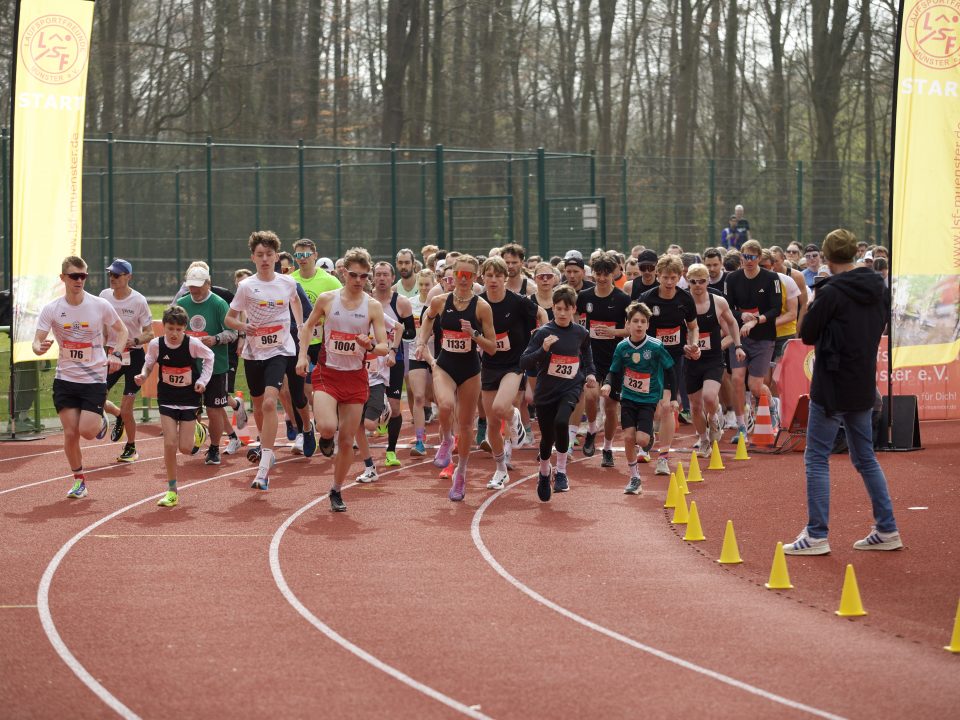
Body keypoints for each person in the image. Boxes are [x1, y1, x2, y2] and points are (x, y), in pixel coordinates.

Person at [783, 229, 902, 555]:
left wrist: (814, 301)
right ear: (854, 253)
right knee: (865, 458)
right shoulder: (878, 288)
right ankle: (887, 528)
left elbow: (807, 333)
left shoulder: (831, 292)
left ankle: (817, 535)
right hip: (862, 380)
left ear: (827, 256)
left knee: (816, 457)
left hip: (832, 384)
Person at [299, 247, 390, 511]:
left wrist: (369, 345)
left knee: (348, 440)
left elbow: (384, 346)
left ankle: (336, 490)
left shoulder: (372, 306)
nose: (358, 280)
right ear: (344, 274)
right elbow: (308, 326)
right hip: (328, 373)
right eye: (353, 275)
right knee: (328, 427)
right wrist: (302, 356)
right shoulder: (327, 299)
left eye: (363, 276)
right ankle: (325, 437)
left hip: (355, 378)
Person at [33, 256, 128, 499]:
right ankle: (79, 481)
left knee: (87, 431)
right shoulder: (52, 309)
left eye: (83, 276)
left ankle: (100, 420)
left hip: (94, 378)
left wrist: (117, 353)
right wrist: (38, 347)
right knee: (70, 433)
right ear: (63, 278)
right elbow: (37, 340)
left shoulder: (99, 305)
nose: (79, 280)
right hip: (65, 379)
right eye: (74, 276)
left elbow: (122, 331)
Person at [225, 231, 307, 490]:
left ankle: (263, 468)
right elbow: (229, 318)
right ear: (252, 257)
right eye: (259, 255)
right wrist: (243, 326)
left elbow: (296, 302)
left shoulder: (287, 282)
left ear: (276, 257)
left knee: (271, 403)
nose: (264, 259)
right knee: (259, 406)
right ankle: (265, 444)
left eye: (269, 254)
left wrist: (300, 326)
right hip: (254, 352)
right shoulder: (246, 286)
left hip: (280, 350)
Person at [416, 255, 497, 501]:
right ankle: (446, 440)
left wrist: (473, 334)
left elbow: (492, 347)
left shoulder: (482, 307)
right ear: (452, 276)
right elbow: (428, 318)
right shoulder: (440, 301)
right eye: (459, 275)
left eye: (468, 276)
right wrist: (421, 341)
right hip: (445, 365)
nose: (463, 280)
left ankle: (461, 471)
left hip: (470, 370)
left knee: (466, 424)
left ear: (475, 278)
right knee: (445, 405)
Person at [520, 285, 596, 501]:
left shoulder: (581, 333)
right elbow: (524, 362)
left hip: (570, 388)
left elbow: (587, 357)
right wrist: (543, 349)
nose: (562, 313)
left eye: (566, 309)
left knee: (562, 422)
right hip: (546, 391)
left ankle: (561, 471)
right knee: (547, 438)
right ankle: (544, 472)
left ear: (574, 310)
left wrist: (590, 374)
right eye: (558, 309)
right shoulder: (543, 333)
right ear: (553, 308)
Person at [135, 306, 215, 507]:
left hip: (189, 398)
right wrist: (143, 375)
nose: (174, 334)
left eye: (178, 330)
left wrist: (203, 380)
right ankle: (172, 490)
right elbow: (148, 364)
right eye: (170, 329)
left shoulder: (192, 344)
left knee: (186, 448)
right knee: (170, 444)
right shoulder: (156, 344)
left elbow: (210, 357)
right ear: (164, 326)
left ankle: (199, 430)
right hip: (167, 397)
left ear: (185, 328)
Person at [478, 256, 545, 490]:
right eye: (489, 275)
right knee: (492, 424)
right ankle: (500, 470)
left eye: (498, 275)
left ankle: (515, 417)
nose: (493, 280)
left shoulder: (518, 301)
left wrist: (541, 340)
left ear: (505, 278)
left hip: (515, 364)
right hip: (489, 365)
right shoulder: (479, 304)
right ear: (483, 278)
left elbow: (542, 314)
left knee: (500, 407)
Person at [601, 302, 676, 495]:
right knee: (628, 437)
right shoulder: (622, 347)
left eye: (643, 321)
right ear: (627, 324)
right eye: (635, 321)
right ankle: (634, 478)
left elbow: (670, 369)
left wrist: (673, 397)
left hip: (648, 399)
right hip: (628, 397)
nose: (639, 325)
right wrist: (607, 384)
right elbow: (613, 370)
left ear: (648, 325)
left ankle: (647, 435)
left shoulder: (656, 346)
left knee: (641, 440)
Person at [638, 254, 699, 473]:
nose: (669, 282)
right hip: (648, 358)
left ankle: (663, 457)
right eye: (665, 277)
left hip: (673, 359)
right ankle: (645, 444)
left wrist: (693, 344)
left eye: (674, 277)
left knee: (667, 407)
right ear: (658, 275)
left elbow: (693, 326)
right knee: (650, 406)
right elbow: (636, 326)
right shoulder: (647, 298)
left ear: (680, 276)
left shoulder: (685, 299)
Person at [176, 265, 238, 465]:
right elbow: (174, 330)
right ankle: (195, 437)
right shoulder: (182, 303)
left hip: (216, 365)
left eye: (197, 286)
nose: (194, 290)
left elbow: (233, 333)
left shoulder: (219, 304)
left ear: (208, 284)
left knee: (214, 409)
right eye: (191, 286)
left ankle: (214, 448)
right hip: (189, 366)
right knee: (189, 408)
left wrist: (215, 339)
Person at [576, 252, 632, 467]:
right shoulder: (584, 297)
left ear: (613, 274)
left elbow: (631, 330)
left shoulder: (623, 299)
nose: (601, 278)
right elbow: (575, 321)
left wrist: (613, 332)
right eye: (598, 274)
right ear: (593, 274)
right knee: (590, 397)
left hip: (615, 359)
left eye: (605, 274)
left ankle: (607, 448)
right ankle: (591, 429)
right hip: (590, 357)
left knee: (610, 408)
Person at [723, 239, 781, 442]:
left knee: (755, 386)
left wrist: (756, 320)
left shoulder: (771, 278)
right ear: (741, 257)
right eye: (746, 256)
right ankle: (742, 428)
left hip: (763, 337)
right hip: (739, 336)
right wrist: (741, 316)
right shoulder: (732, 278)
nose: (749, 261)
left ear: (759, 258)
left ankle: (772, 406)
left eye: (753, 257)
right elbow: (727, 307)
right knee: (737, 379)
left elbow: (776, 309)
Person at [684, 264, 744, 456]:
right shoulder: (682, 303)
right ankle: (703, 441)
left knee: (709, 397)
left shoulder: (718, 301)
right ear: (688, 281)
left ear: (708, 281)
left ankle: (714, 416)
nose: (697, 285)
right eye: (693, 281)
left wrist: (737, 345)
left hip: (712, 358)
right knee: (695, 406)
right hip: (690, 359)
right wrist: (685, 348)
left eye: (701, 281)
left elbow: (732, 325)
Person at [99, 259, 154, 462]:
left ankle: (131, 447)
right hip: (112, 355)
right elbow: (101, 326)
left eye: (117, 275)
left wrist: (135, 340)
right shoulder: (104, 296)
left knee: (128, 407)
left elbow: (150, 333)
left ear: (128, 277)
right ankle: (118, 415)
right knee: (96, 396)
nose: (112, 278)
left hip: (134, 356)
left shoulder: (138, 301)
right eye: (110, 275)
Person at [371, 261, 416, 467]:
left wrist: (392, 342)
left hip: (393, 359)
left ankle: (391, 451)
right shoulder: (366, 299)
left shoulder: (401, 302)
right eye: (378, 274)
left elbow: (410, 332)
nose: (381, 278)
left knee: (395, 408)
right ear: (373, 277)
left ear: (392, 278)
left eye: (385, 275)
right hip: (370, 359)